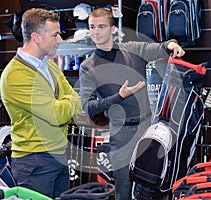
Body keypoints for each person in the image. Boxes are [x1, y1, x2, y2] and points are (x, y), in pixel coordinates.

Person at [79, 8, 185, 200]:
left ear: (112, 29)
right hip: (121, 136)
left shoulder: (133, 50)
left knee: (154, 187)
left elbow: (161, 47)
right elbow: (87, 107)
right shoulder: (88, 66)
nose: (96, 32)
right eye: (92, 27)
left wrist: (172, 44)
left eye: (101, 26)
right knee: (124, 191)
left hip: (147, 129)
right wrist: (118, 97)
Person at [0, 8, 82, 199]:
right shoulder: (15, 75)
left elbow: (75, 98)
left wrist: (67, 102)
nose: (60, 40)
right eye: (55, 35)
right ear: (36, 37)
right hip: (35, 160)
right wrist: (68, 102)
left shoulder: (49, 64)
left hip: (59, 153)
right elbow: (57, 115)